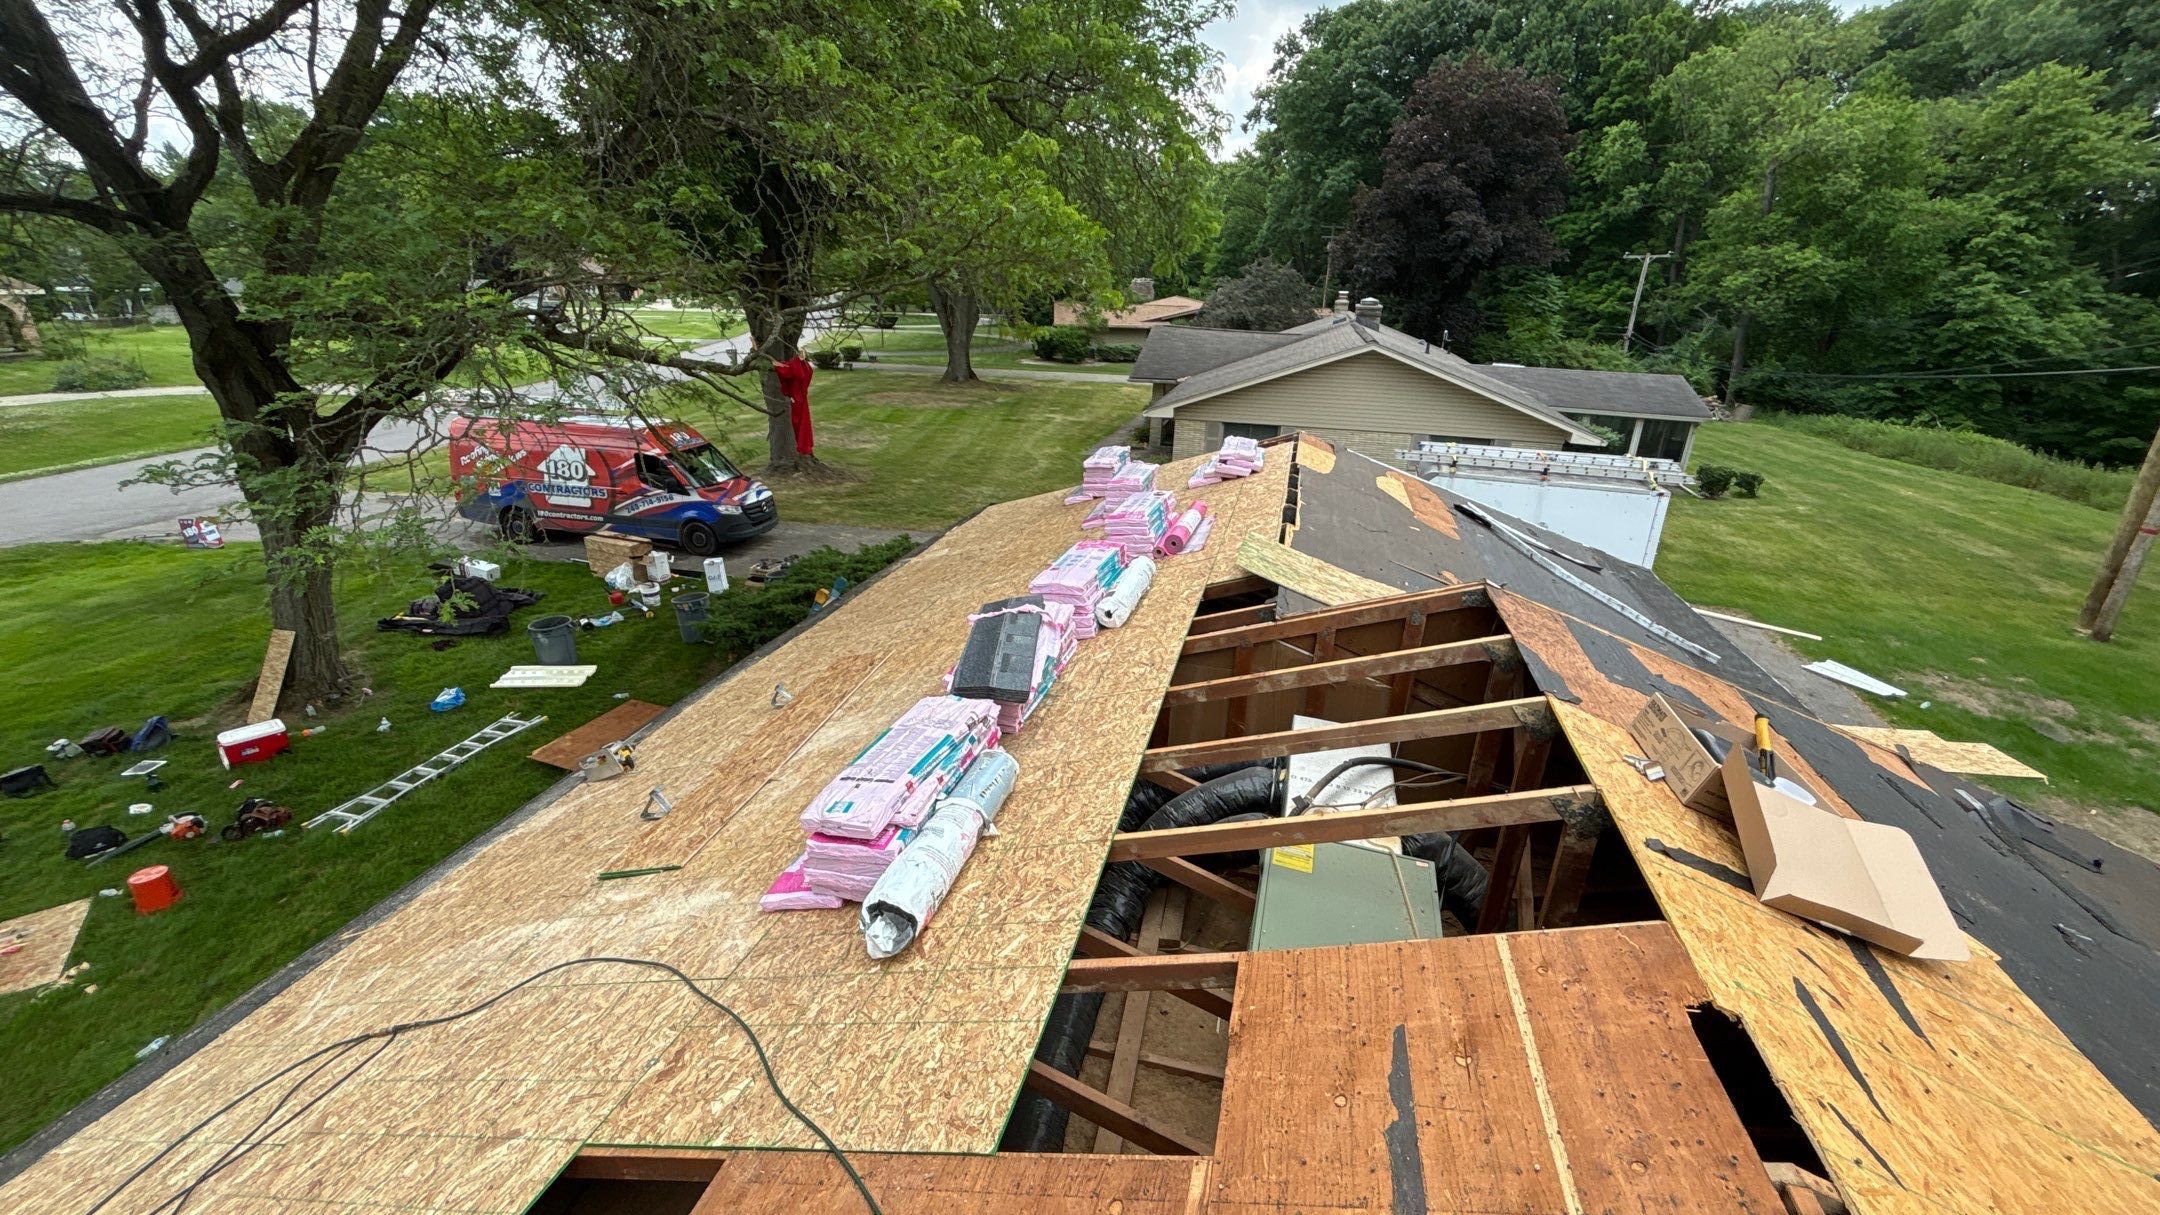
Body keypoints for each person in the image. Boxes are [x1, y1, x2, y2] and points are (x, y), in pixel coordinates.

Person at [772, 354, 815, 456]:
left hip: (796, 397)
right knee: (801, 421)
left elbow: (787, 372)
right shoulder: (806, 367)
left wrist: (777, 365)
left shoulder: (796, 366)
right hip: (800, 397)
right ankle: (801, 443)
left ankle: (800, 444)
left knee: (797, 421)